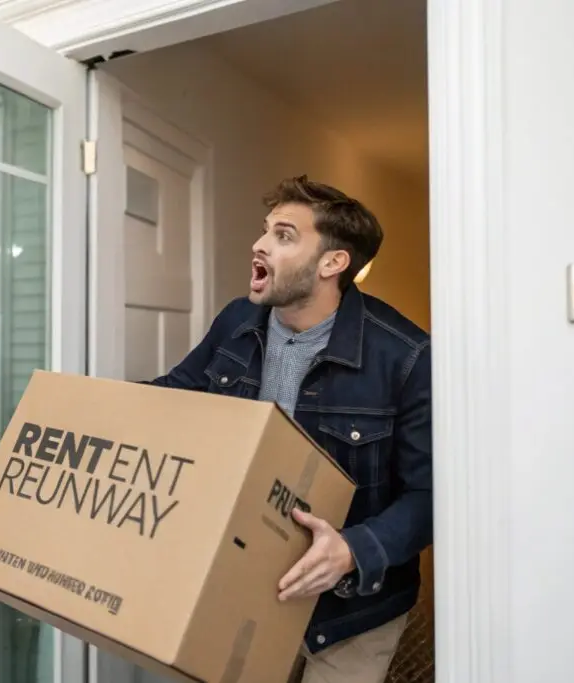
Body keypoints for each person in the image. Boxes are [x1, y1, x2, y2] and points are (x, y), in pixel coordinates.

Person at [145, 175, 432, 683]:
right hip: (240, 584)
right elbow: (178, 393)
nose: (258, 244)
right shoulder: (237, 319)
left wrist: (352, 549)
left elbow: (429, 494)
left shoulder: (406, 357)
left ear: (332, 263)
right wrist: (84, 408)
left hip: (351, 613)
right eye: (265, 231)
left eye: (283, 235)